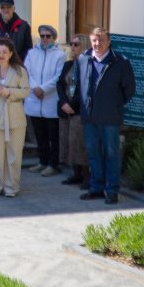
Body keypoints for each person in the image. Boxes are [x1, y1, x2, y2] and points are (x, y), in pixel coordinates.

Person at [73, 27, 136, 205]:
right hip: (89, 117)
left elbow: (129, 90)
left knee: (111, 154)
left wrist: (113, 104)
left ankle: (112, 191)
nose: (97, 43)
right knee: (93, 153)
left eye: (101, 40)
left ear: (109, 42)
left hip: (110, 117)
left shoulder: (120, 62)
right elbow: (79, 86)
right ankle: (96, 188)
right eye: (94, 40)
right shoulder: (84, 59)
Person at [0, 38, 30, 198]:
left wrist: (9, 92)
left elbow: (26, 91)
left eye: (4, 52)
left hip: (15, 117)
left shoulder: (20, 71)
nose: (1, 55)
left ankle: (11, 186)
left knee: (14, 155)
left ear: (10, 54)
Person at [24, 25, 66, 177]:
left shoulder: (60, 55)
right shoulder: (32, 53)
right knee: (39, 134)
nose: (45, 39)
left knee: (53, 136)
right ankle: (42, 161)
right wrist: (35, 88)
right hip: (35, 99)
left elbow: (58, 76)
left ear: (53, 38)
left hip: (50, 99)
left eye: (48, 36)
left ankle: (53, 164)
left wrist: (43, 89)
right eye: (42, 36)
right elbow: (27, 72)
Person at [57, 34, 90, 187]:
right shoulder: (68, 64)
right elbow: (59, 84)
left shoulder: (89, 65)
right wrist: (64, 102)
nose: (73, 47)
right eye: (71, 44)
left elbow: (85, 87)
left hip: (78, 110)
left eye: (76, 44)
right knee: (67, 141)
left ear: (84, 45)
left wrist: (72, 104)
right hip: (65, 109)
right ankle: (75, 173)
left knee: (79, 143)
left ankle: (86, 176)